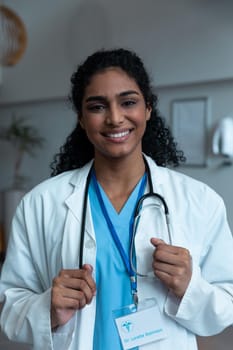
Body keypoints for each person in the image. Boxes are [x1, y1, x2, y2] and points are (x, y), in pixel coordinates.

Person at [0, 48, 233, 350]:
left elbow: (226, 304)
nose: (114, 118)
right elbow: (9, 306)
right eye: (97, 107)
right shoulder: (40, 204)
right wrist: (48, 307)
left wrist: (190, 287)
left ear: (148, 108)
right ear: (81, 119)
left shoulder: (200, 201)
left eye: (128, 102)